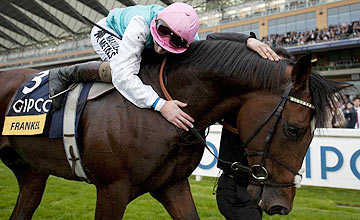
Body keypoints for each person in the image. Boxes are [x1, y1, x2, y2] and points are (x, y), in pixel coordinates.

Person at [49, 3, 199, 131]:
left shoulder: (190, 38)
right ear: (156, 23)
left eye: (171, 45)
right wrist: (161, 105)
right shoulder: (140, 24)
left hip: (141, 39)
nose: (160, 50)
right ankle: (65, 73)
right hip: (111, 32)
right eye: (159, 41)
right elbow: (123, 77)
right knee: (120, 69)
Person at [204, 39, 292, 220]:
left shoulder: (274, 111)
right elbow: (213, 39)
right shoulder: (240, 100)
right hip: (233, 190)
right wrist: (248, 41)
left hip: (250, 192)